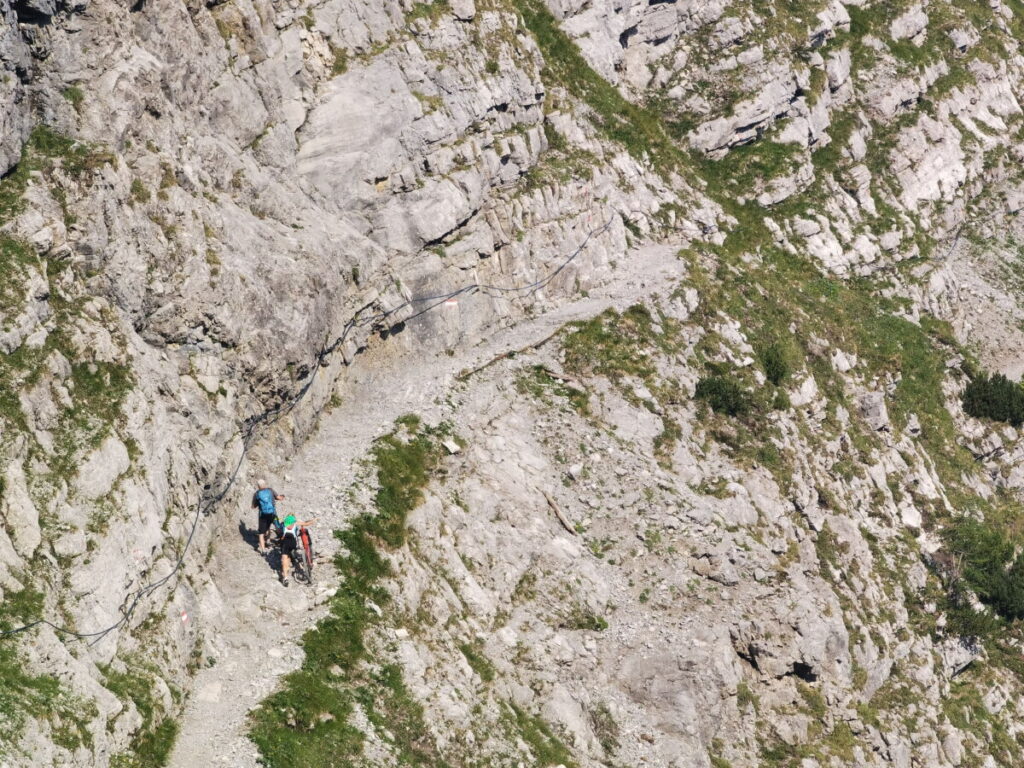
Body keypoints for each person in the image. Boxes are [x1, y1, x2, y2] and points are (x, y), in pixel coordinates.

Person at [278, 513, 316, 586]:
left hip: (285, 543)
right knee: (288, 557)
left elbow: (279, 531)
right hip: (293, 543)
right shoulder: (295, 522)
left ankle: (285, 577)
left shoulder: (283, 523)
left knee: (284, 558)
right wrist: (314, 520)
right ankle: (287, 571)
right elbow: (306, 524)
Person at [251, 479, 285, 554]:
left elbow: (253, 507)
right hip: (273, 514)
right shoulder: (270, 490)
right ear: (265, 484)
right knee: (278, 527)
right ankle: (283, 542)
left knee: (261, 533)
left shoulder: (257, 494)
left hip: (262, 515)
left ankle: (263, 550)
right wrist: (283, 496)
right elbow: (279, 498)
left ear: (258, 486)